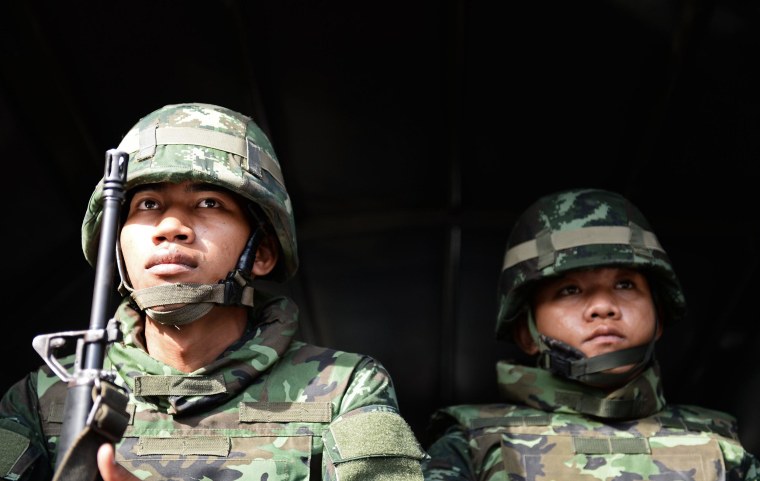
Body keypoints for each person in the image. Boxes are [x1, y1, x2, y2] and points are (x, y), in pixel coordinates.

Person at [0, 102, 427, 481]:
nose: (171, 227)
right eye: (147, 204)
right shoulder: (42, 398)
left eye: (208, 203)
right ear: (118, 247)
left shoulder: (341, 388)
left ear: (260, 252)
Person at [421, 188, 760, 481]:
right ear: (527, 332)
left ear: (659, 319)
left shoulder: (722, 443)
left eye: (625, 284)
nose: (602, 306)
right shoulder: (471, 443)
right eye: (570, 290)